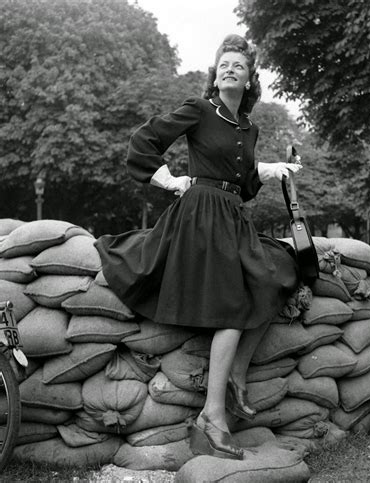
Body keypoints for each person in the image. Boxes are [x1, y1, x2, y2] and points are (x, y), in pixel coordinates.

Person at [94, 34, 301, 460]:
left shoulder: (250, 128)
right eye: (223, 64)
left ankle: (237, 373)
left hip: (232, 217)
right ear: (215, 74)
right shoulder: (199, 109)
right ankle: (212, 417)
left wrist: (265, 172)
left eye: (238, 66)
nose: (229, 70)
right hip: (200, 217)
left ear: (249, 80)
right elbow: (144, 141)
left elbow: (242, 188)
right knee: (231, 306)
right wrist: (167, 178)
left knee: (281, 271)